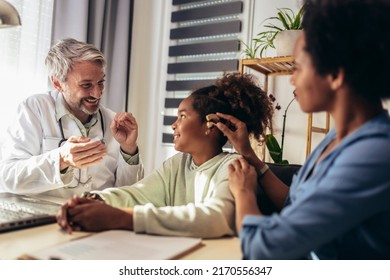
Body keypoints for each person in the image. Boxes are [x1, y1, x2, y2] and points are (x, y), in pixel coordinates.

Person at [217, 0, 390, 259]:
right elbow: (294, 203)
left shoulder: (374, 154)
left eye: (297, 67)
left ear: (335, 74)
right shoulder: (336, 139)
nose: (292, 78)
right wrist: (251, 156)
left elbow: (265, 248)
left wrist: (243, 193)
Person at [56, 72, 274, 238]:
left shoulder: (234, 167)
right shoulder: (177, 164)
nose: (173, 125)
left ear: (211, 125)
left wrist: (123, 218)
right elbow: (137, 194)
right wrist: (94, 200)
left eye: (182, 116)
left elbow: (217, 217)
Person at [0, 38, 144, 199]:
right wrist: (61, 159)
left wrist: (129, 149)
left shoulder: (113, 122)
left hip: (95, 219)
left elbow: (128, 194)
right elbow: (7, 177)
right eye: (86, 85)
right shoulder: (34, 109)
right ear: (57, 83)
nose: (97, 94)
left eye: (101, 82)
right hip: (45, 219)